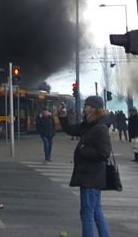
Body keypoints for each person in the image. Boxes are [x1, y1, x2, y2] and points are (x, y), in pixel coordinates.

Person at [59, 96, 111, 237]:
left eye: (87, 105)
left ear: (93, 108)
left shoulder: (99, 127)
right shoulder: (89, 125)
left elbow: (104, 153)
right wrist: (63, 117)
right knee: (95, 212)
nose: (84, 107)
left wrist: (83, 149)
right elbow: (71, 129)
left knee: (87, 214)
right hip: (90, 175)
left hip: (91, 176)